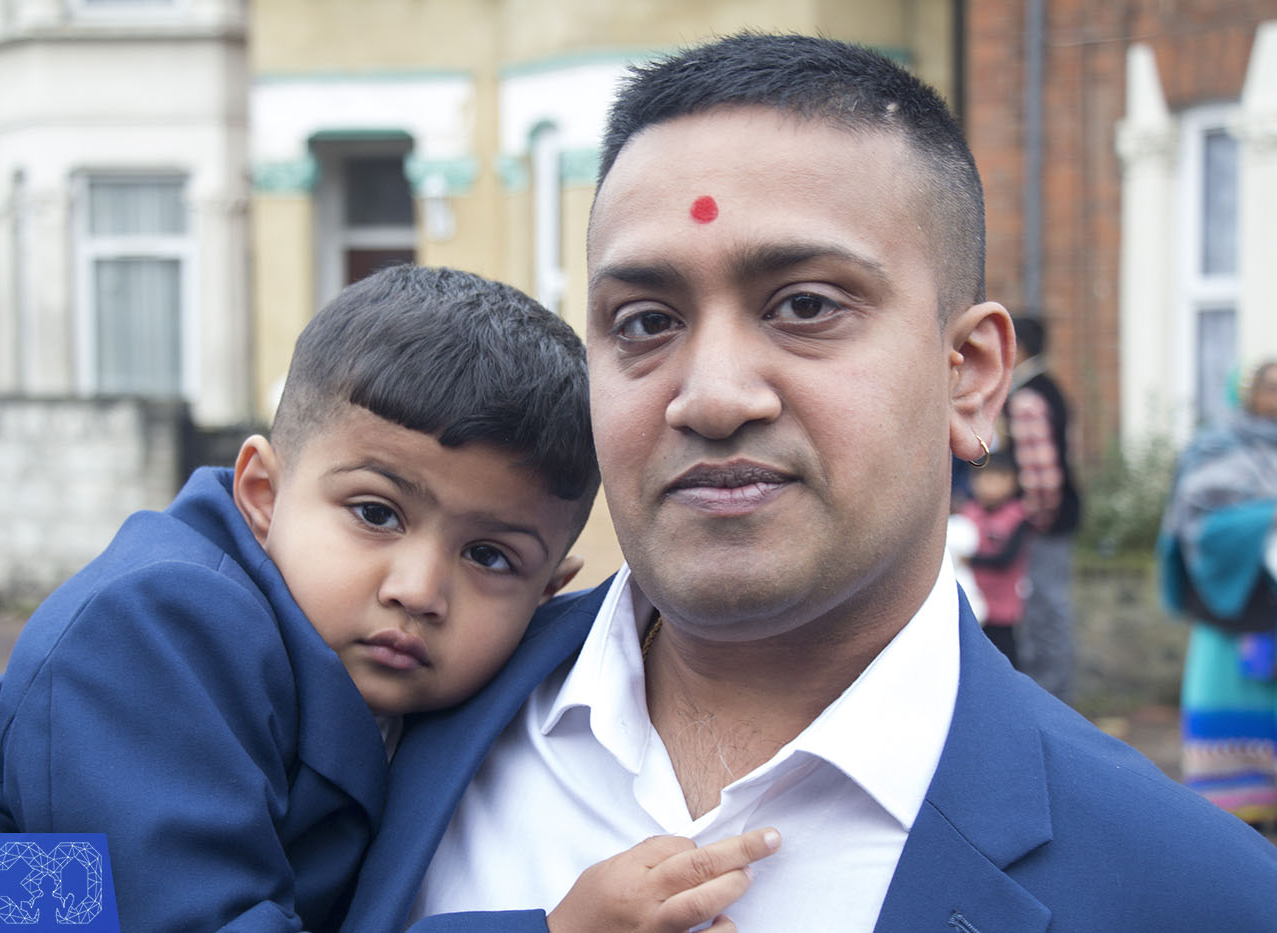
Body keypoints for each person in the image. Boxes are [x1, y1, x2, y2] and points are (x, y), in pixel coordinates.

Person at [343, 34, 1277, 933]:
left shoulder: (1196, 895)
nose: (712, 397)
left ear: (969, 374)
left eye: (805, 306)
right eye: (644, 322)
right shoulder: (384, 716)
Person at [0, 265, 779, 932]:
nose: (418, 589)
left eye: (490, 557)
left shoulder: (474, 673)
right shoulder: (159, 625)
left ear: (550, 590)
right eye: (376, 513)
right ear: (261, 494)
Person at [1159, 359, 1277, 828]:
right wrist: (1264, 520)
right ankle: (1234, 811)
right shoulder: (1216, 447)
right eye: (1270, 387)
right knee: (1229, 700)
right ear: (1247, 393)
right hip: (1230, 608)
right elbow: (1196, 522)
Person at [1005, 315, 1082, 702]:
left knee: (1043, 608)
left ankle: (1050, 695)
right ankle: (1051, 692)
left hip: (1042, 522)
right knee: (1046, 605)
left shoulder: (1027, 397)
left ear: (1019, 349)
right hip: (1054, 517)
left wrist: (1034, 521)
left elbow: (1041, 475)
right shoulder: (1049, 388)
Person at [958, 449, 1032, 666]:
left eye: (995, 478)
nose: (987, 485)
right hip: (972, 604)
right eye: (982, 478)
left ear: (1012, 482)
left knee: (1005, 658)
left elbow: (1006, 559)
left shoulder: (1018, 517)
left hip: (1003, 608)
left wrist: (971, 560)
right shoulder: (968, 513)